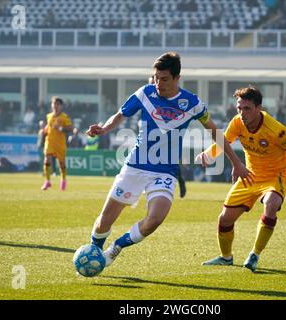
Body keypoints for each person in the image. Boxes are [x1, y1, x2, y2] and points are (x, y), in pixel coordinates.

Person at [85, 52, 251, 268]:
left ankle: (115, 247)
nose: (158, 83)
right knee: (103, 221)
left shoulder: (192, 103)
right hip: (135, 167)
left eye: (164, 79)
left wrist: (236, 162)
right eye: (155, 78)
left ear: (176, 78)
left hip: (164, 173)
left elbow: (215, 132)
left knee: (155, 219)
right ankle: (92, 253)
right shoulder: (144, 94)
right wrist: (104, 128)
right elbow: (120, 115)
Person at [198, 86, 286, 272]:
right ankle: (226, 257)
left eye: (247, 108)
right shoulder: (237, 122)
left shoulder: (276, 130)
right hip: (250, 175)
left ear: (258, 108)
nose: (242, 113)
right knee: (225, 219)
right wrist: (208, 154)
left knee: (271, 203)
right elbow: (224, 142)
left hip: (275, 175)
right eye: (239, 108)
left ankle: (255, 254)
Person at [148, 75, 187, 198]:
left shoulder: (169, 100)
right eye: (152, 83)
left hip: (168, 141)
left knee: (172, 165)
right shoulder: (148, 98)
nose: (155, 86)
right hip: (152, 141)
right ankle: (152, 191)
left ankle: (180, 184)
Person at [41, 96, 73, 191]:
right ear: (51, 105)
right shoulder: (48, 116)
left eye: (57, 104)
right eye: (54, 104)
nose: (55, 106)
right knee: (46, 160)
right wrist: (43, 130)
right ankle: (47, 181)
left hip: (60, 143)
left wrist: (60, 128)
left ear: (61, 106)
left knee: (61, 164)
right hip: (49, 141)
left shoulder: (64, 117)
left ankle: (63, 180)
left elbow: (70, 128)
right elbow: (48, 128)